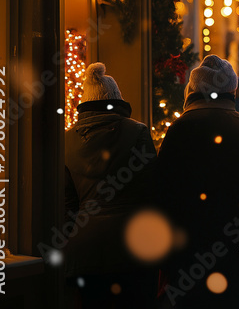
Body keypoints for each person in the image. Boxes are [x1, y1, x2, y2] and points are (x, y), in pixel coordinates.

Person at [158, 55, 239, 308]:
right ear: (232, 90)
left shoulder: (180, 128)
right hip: (233, 242)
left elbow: (162, 185)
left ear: (194, 89)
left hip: (186, 245)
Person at [64, 63, 159, 308]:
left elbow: (68, 205)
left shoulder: (67, 140)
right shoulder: (137, 132)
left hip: (85, 252)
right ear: (117, 99)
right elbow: (152, 190)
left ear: (84, 103)